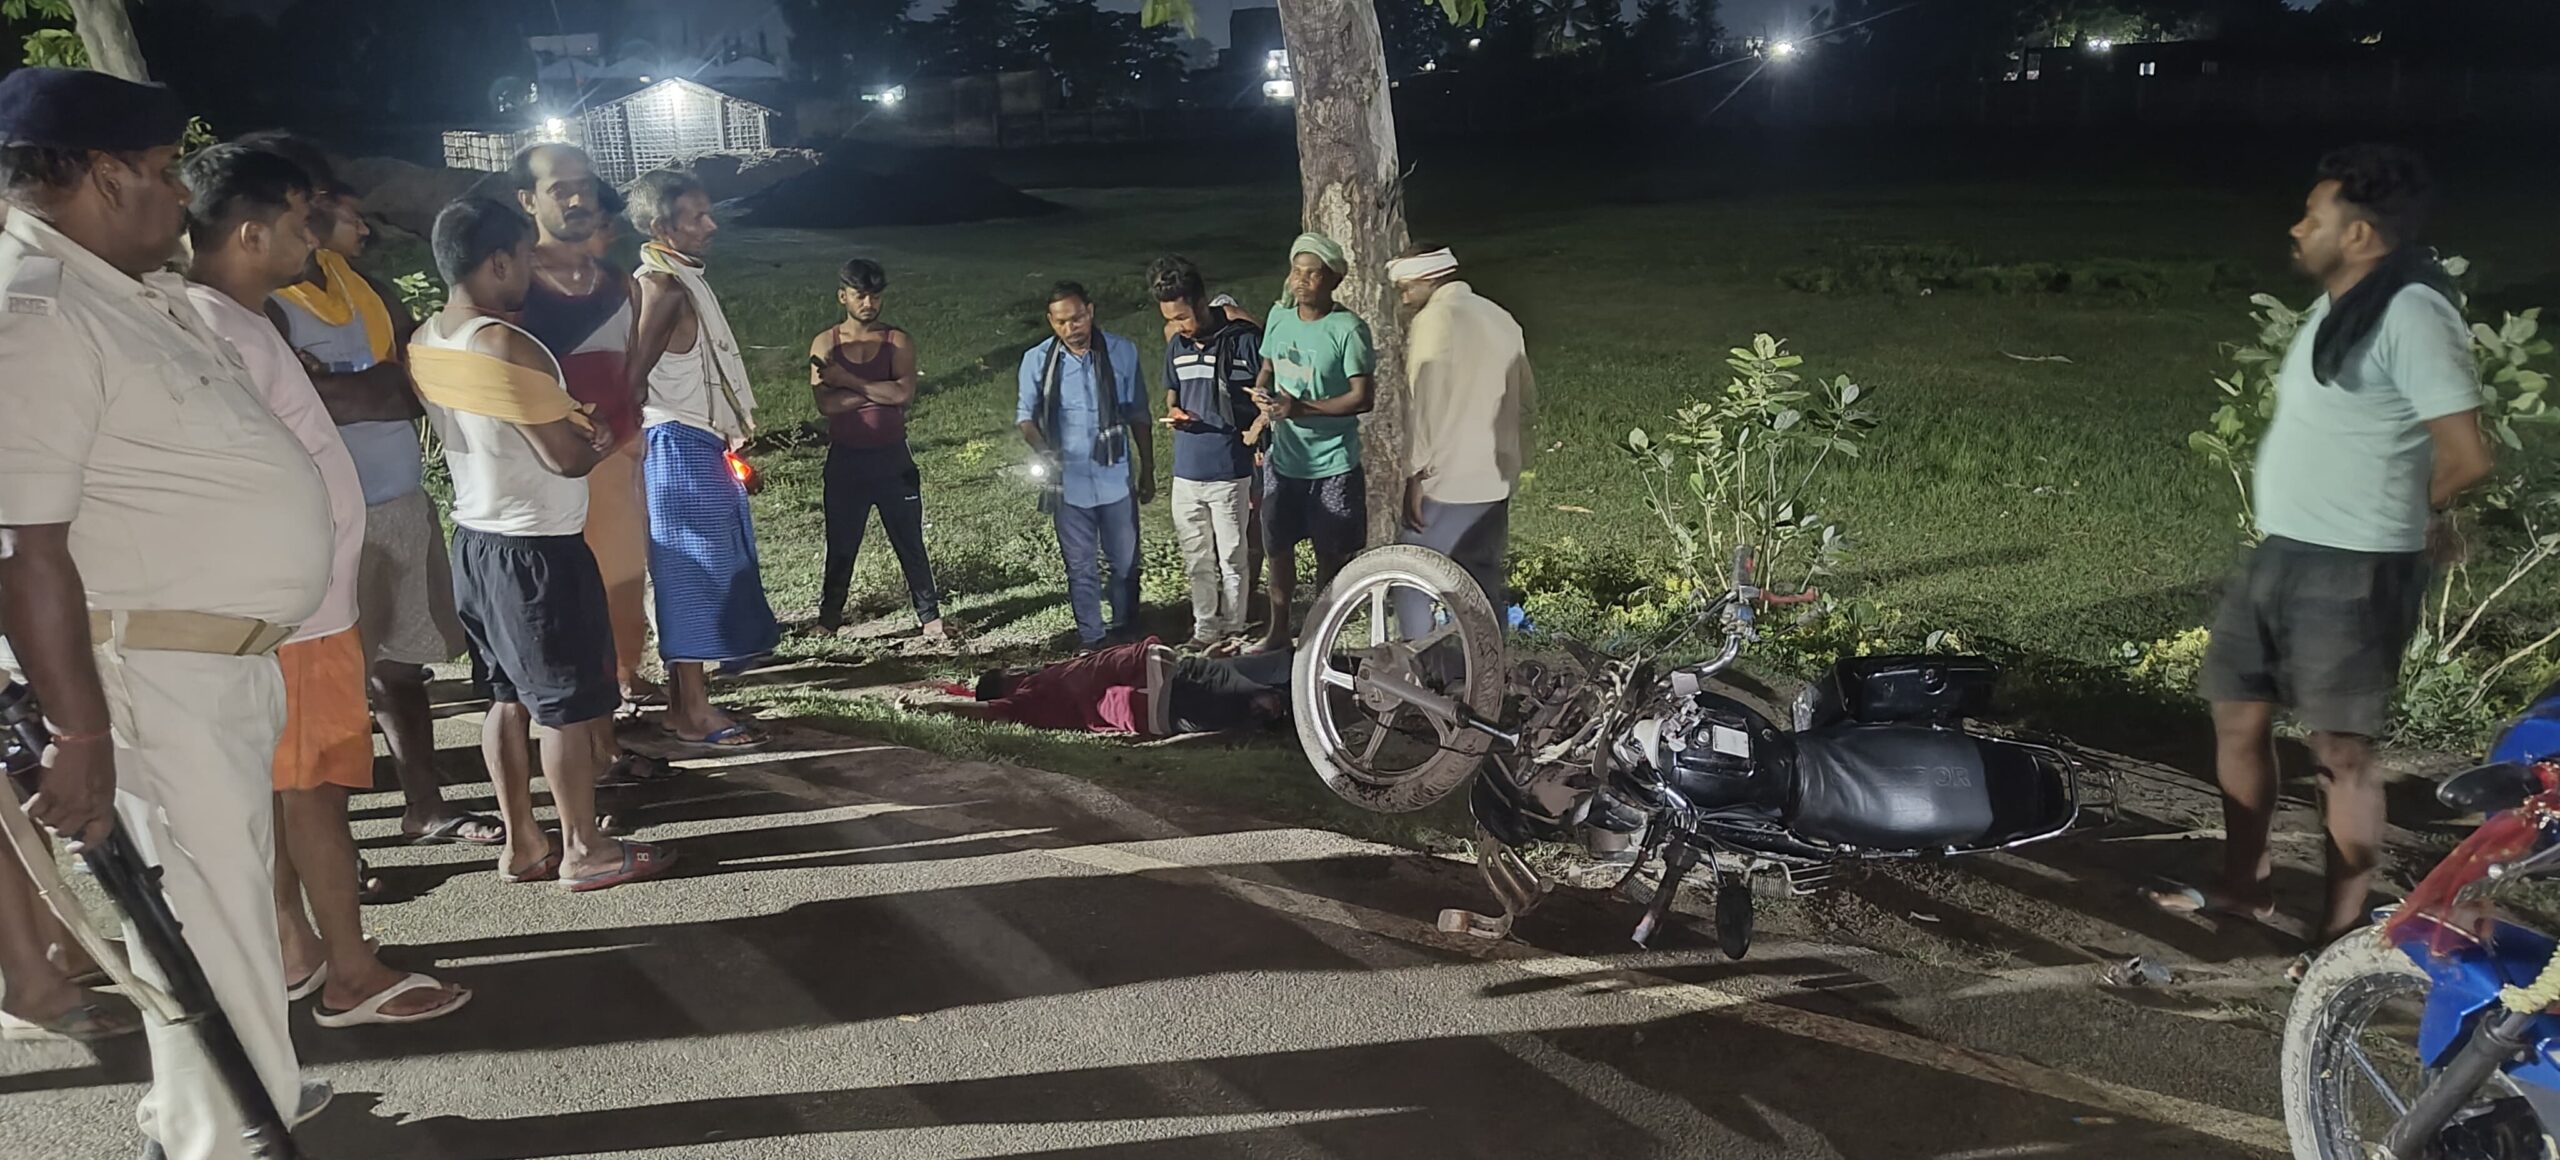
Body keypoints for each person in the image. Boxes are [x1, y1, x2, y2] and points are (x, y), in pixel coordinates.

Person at [0, 67, 332, 1158]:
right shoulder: (36, 309)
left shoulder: (119, 291)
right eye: (158, 171)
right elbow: (23, 545)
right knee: (216, 933)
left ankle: (204, 1124)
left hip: (208, 667)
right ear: (102, 175)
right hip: (151, 679)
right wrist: (81, 733)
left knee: (211, 926)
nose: (180, 195)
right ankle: (223, 1142)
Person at [2151, 146, 2494, 957]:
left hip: (2356, 566)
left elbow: (2467, 455)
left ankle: (2337, 941)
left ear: (2361, 234)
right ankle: (2246, 885)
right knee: (2238, 715)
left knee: (2341, 753)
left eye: (2315, 218)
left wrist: (2401, 515)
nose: (2298, 228)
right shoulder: (2342, 305)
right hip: (2285, 550)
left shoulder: (2412, 312)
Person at [180, 145, 470, 1029]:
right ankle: (350, 972)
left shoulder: (236, 320)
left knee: (290, 788)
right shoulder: (218, 327)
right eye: (300, 222)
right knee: (312, 795)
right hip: (295, 612)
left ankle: (294, 947)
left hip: (301, 603)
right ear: (250, 232)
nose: (314, 239)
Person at [411, 196, 678, 893]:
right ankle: (585, 849)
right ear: (499, 262)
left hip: (477, 537)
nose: (533, 270)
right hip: (538, 547)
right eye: (526, 257)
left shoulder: (426, 337)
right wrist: (596, 439)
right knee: (565, 706)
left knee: (505, 699)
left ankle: (523, 843)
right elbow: (563, 458)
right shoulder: (508, 345)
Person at [242, 132, 498, 850]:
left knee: (401, 671)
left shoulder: (361, 286)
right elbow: (317, 401)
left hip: (396, 504)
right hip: (322, 519)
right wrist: (370, 386)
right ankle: (328, 845)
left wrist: (343, 386)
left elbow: (416, 383)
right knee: (322, 686)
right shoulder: (262, 302)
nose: (341, 215)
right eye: (317, 201)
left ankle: (425, 808)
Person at [624, 169, 777, 750]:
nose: (711, 225)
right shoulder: (663, 288)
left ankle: (682, 704)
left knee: (694, 572)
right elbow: (632, 382)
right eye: (697, 217)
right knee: (689, 575)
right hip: (677, 443)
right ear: (660, 226)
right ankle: (693, 710)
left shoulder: (678, 279)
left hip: (693, 441)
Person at [509, 144, 656, 710]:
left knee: (622, 578)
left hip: (617, 459)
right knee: (565, 595)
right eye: (559, 189)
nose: (577, 200)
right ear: (528, 200)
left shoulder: (618, 283)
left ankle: (622, 678)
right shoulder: (514, 286)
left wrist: (631, 436)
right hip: (546, 469)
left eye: (585, 187)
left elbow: (629, 368)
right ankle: (577, 711)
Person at [1387, 245, 1534, 629]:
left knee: (1411, 577)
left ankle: (1418, 658)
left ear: (1429, 278)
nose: (1405, 298)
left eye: (1407, 287)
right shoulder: (1502, 318)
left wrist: (1415, 474)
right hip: (1495, 475)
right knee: (1481, 580)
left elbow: (1426, 401)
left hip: (1449, 479)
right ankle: (1488, 660)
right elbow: (1523, 397)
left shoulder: (1434, 321)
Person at [1251, 233, 1378, 654]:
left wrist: (1300, 409)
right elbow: (1267, 367)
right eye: (1296, 271)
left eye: (1313, 274)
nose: (1301, 281)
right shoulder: (1279, 317)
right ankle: (1278, 631)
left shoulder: (1348, 329)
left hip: (1333, 462)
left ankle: (1321, 639)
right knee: (1277, 546)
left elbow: (1363, 398)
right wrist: (1262, 394)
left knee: (1331, 553)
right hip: (1285, 458)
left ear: (1334, 280)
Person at [811, 258, 948, 640]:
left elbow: (903, 394)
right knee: (841, 542)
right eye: (860, 295)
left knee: (909, 540)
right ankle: (828, 620)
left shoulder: (897, 341)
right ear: (843, 296)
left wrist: (848, 381)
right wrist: (878, 391)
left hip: (892, 457)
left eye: (875, 296)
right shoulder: (826, 343)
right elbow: (826, 404)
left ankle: (930, 617)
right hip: (846, 458)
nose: (868, 303)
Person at [1017, 282, 1155, 651]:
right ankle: (1092, 639)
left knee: (1125, 563)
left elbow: (1139, 413)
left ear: (1090, 312)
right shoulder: (1037, 360)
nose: (1070, 328)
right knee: (1080, 568)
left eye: (1077, 319)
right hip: (1069, 480)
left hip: (1115, 475)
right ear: (1051, 321)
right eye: (1061, 322)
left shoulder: (1122, 352)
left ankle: (1125, 632)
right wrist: (1044, 451)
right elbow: (1025, 417)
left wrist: (1148, 468)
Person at [1150, 256, 1268, 650]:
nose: (1177, 326)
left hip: (1228, 468)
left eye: (1182, 316)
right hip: (1186, 470)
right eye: (1170, 319)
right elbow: (1172, 390)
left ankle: (1234, 627)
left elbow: (1268, 394)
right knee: (1196, 557)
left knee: (1233, 555)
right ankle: (1204, 629)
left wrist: (1257, 431)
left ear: (1202, 303)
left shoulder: (1243, 340)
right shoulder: (1177, 344)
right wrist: (1174, 411)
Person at [932, 640, 1294, 737]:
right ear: (1007, 680)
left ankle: (1281, 705)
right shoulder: (1029, 697)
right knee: (1276, 685)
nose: (1019, 668)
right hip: (1170, 691)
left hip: (1177, 678)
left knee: (1280, 673)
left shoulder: (1045, 681)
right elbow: (989, 711)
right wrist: (936, 708)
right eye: (1010, 670)